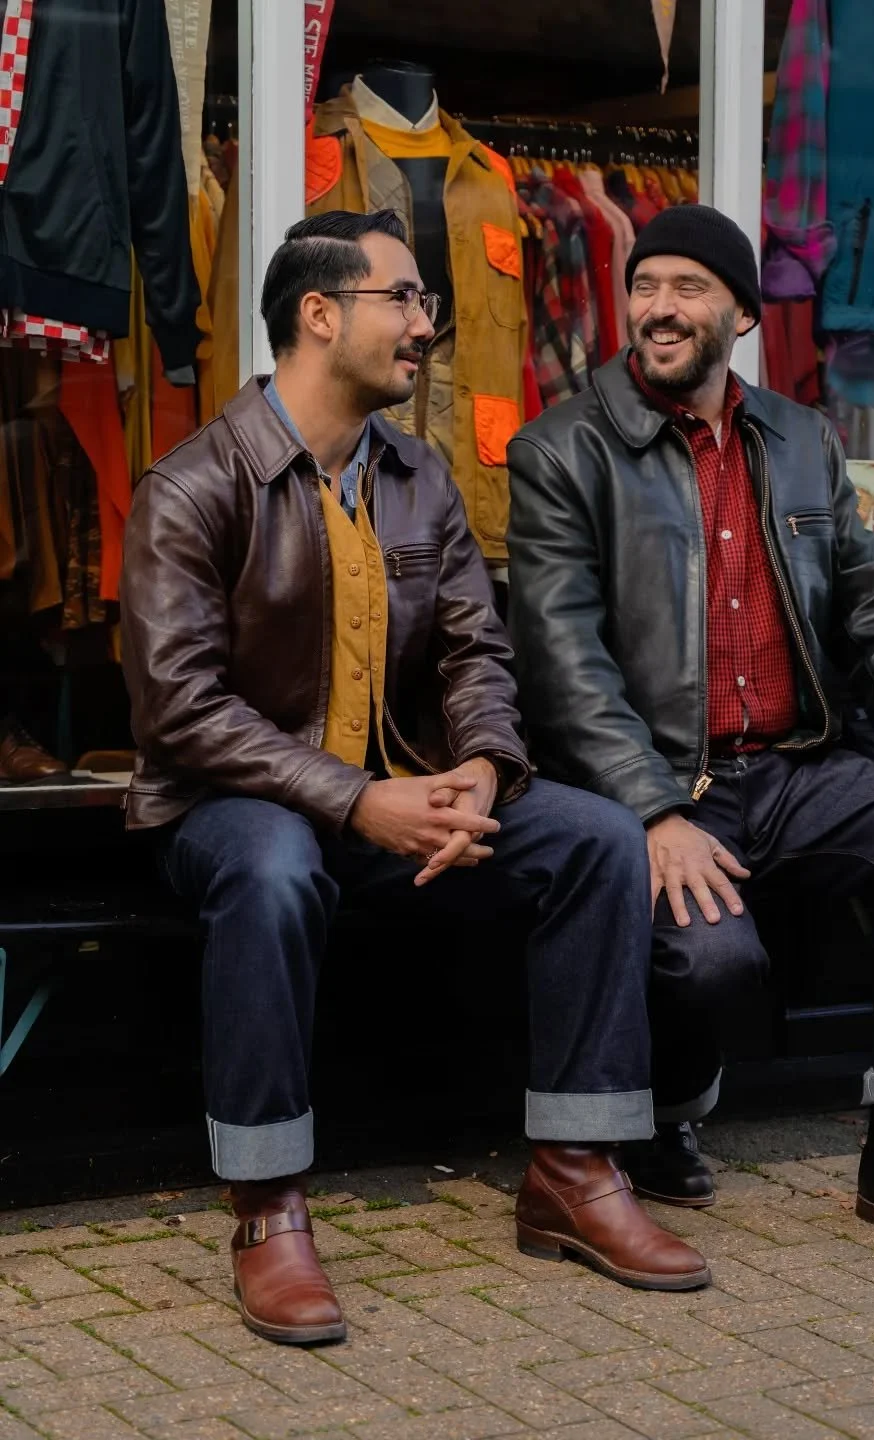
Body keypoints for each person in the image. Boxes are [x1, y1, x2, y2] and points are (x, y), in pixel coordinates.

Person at [120, 209, 710, 1347]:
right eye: (406, 301)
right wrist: (354, 799)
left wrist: (487, 769)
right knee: (278, 865)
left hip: (405, 799)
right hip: (230, 811)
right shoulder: (194, 484)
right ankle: (268, 1209)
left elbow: (473, 653)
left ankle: (576, 1172)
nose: (428, 328)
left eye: (428, 306)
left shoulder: (415, 473)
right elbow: (178, 711)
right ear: (321, 314)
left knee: (591, 839)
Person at [506, 205, 874, 1259]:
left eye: (689, 289)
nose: (659, 309)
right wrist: (647, 808)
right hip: (662, 782)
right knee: (714, 963)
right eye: (645, 287)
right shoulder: (561, 449)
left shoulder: (800, 437)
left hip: (796, 770)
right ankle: (669, 1109)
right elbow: (563, 660)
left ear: (738, 313)